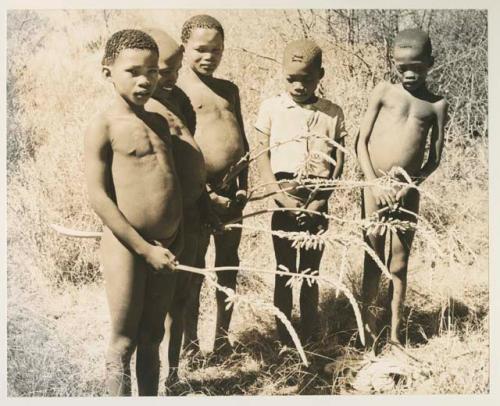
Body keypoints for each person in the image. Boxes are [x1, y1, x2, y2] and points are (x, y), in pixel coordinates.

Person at [84, 29, 183, 396]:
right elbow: (98, 196)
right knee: (124, 341)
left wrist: (178, 235)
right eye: (133, 72)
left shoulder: (159, 122)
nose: (146, 80)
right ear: (107, 71)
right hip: (128, 248)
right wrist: (144, 249)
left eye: (153, 71)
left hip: (167, 245)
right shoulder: (104, 126)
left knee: (152, 336)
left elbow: (169, 182)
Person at [356, 28, 448, 346]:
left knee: (399, 262)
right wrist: (373, 184)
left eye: (417, 67)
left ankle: (394, 335)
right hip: (374, 189)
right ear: (394, 64)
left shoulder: (436, 105)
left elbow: (434, 158)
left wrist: (410, 185)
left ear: (430, 63)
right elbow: (361, 142)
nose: (409, 74)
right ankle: (366, 336)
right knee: (372, 259)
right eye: (402, 67)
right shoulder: (383, 91)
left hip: (407, 193)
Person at [255, 39, 346, 346]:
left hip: (317, 201)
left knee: (309, 272)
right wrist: (280, 197)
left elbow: (339, 160)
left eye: (306, 79)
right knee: (283, 270)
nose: (298, 86)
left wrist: (320, 201)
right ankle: (284, 337)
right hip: (285, 200)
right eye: (291, 78)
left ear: (320, 75)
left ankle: (310, 336)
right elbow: (262, 157)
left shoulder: (332, 113)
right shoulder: (271, 108)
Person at [142, 28, 212, 392]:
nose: (168, 79)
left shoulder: (180, 98)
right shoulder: (140, 107)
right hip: (162, 220)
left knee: (183, 296)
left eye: (173, 70)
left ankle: (174, 373)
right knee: (158, 304)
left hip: (192, 212)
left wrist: (201, 200)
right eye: (161, 72)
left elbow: (190, 150)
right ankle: (152, 381)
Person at [176, 14, 249, 355]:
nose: (209, 56)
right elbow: (178, 149)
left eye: (216, 50)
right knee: (194, 267)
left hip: (232, 195)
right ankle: (189, 342)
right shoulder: (178, 92)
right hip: (197, 196)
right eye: (201, 50)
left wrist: (242, 190)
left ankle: (223, 337)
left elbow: (243, 141)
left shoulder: (229, 89)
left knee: (228, 264)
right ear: (184, 48)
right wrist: (203, 194)